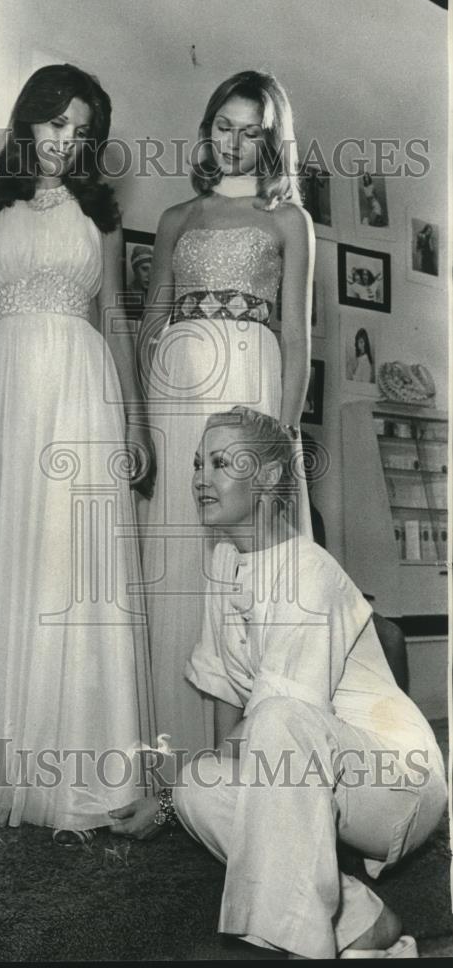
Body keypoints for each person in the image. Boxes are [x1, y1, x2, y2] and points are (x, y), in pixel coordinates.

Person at [110, 407, 446, 959]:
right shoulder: (225, 562)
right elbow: (226, 696)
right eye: (198, 463)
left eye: (220, 463)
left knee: (278, 719)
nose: (200, 478)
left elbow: (279, 724)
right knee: (197, 785)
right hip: (309, 763)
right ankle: (361, 921)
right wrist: (177, 797)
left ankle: (298, 949)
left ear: (266, 477)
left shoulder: (308, 572)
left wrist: (179, 791)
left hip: (396, 783)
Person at [0, 63, 155, 844]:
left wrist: (135, 426)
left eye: (82, 130)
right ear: (26, 119)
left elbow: (116, 320)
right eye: (56, 123)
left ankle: (81, 774)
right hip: (4, 392)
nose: (66, 141)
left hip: (82, 398)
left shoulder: (98, 216)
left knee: (73, 568)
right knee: (8, 563)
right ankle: (1, 766)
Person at [136, 70, 313, 759]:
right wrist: (143, 420)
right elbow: (152, 318)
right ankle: (173, 749)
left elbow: (297, 335)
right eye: (223, 126)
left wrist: (283, 437)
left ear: (271, 141)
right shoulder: (177, 218)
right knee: (182, 547)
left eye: (251, 130)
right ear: (207, 128)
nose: (234, 142)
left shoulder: (286, 220)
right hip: (176, 388)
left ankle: (248, 750)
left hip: (249, 378)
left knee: (243, 560)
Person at [124, 243, 154, 320]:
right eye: (144, 269)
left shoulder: (155, 295)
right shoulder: (127, 293)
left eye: (152, 271)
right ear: (135, 270)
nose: (149, 276)